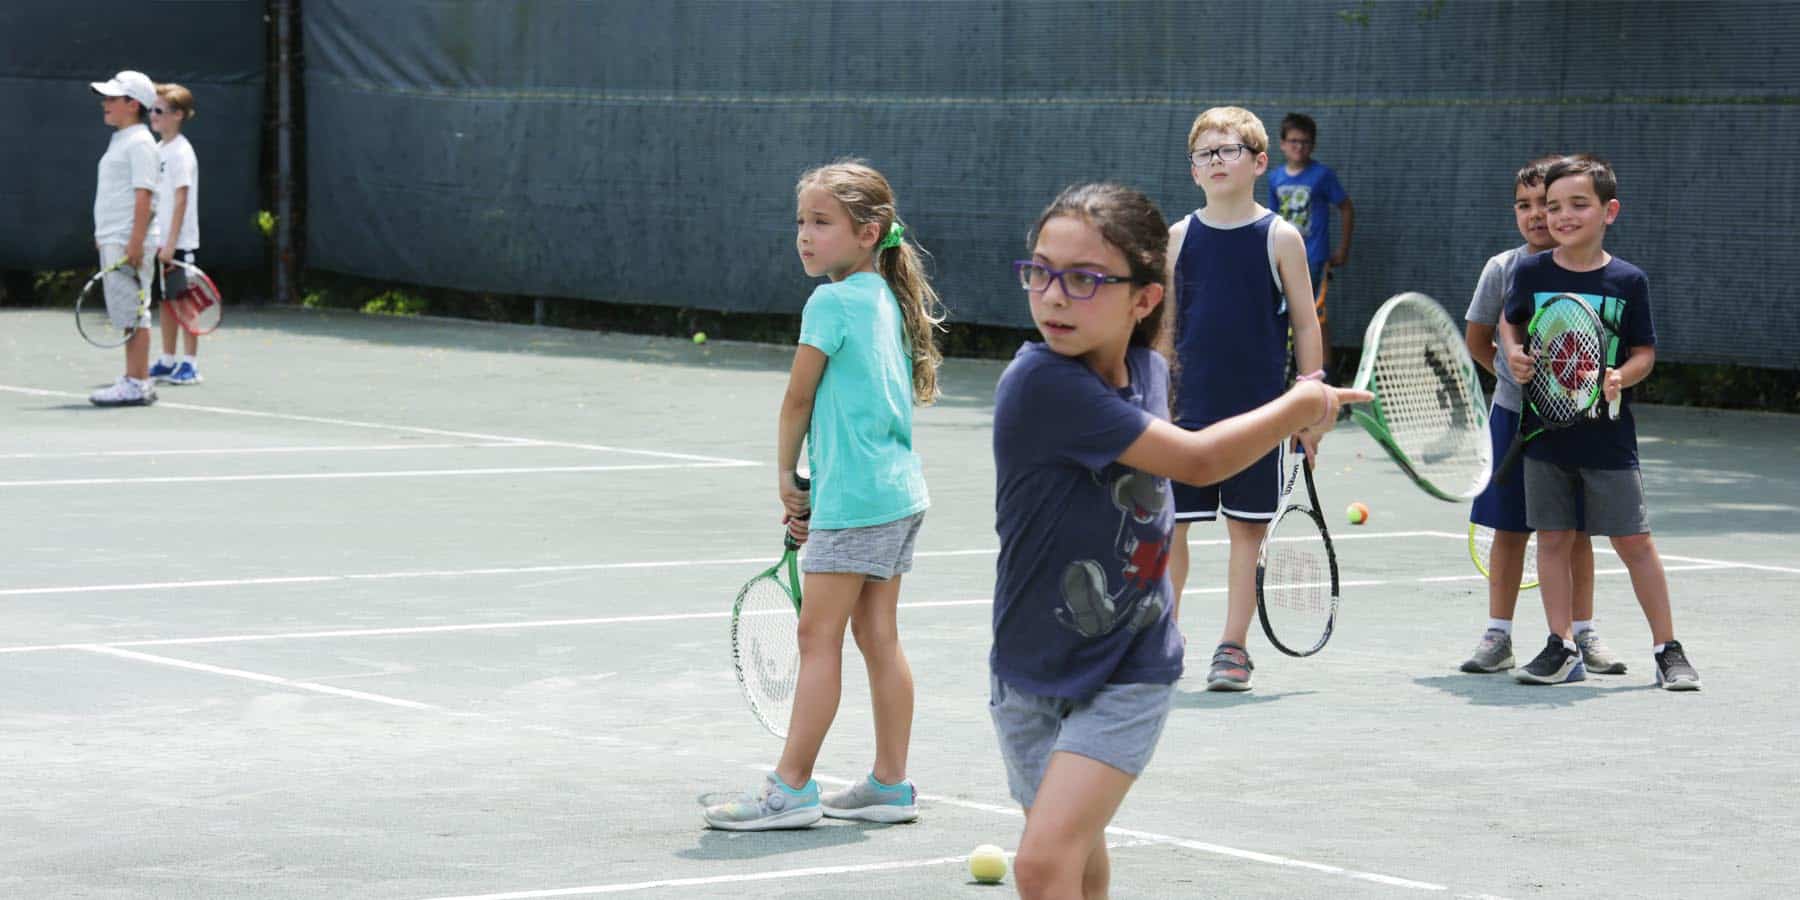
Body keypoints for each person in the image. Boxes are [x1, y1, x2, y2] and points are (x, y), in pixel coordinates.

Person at [992, 182, 1368, 899]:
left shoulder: (1149, 372)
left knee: (1042, 863)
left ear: (1144, 299)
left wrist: (1295, 410)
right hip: (1028, 668)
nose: (1053, 296)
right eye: (1039, 271)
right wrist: (1299, 402)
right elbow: (1196, 462)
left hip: (1130, 665)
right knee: (1075, 853)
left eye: (1084, 279)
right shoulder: (1040, 384)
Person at [703, 161, 945, 829]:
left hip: (860, 500)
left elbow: (798, 399)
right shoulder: (884, 298)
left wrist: (787, 479)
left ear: (869, 233)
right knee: (878, 636)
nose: (805, 236)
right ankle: (890, 785)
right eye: (801, 222)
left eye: (821, 223)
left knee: (817, 637)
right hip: (899, 493)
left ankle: (791, 789)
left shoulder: (830, 302)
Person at [1499, 154, 1699, 690]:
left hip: (1608, 438)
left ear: (1609, 211)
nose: (1561, 216)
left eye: (1578, 205)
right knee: (1554, 539)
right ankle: (1560, 646)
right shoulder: (1530, 271)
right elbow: (1512, 327)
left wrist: (1621, 377)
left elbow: (1644, 353)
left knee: (1633, 541)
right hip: (1545, 434)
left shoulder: (1628, 279)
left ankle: (1667, 650)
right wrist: (1515, 355)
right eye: (1553, 206)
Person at [1162, 106, 1324, 692]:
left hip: (1259, 418)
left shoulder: (1280, 237)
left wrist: (1310, 404)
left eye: (1228, 150)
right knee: (1170, 530)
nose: (1215, 161)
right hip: (1185, 418)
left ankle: (1233, 647)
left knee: (1246, 532)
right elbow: (1165, 328)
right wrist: (1153, 400)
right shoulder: (1178, 239)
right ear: (1194, 171)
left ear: (1259, 162)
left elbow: (1305, 325)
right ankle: (1163, 641)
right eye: (1204, 154)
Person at [1460, 156, 1623, 675]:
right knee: (1509, 532)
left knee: (1574, 535)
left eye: (1544, 205)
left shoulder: (1595, 270)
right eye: (1524, 205)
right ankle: (1498, 634)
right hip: (1513, 418)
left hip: (1576, 421)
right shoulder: (1503, 269)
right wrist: (1510, 371)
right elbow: (1479, 338)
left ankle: (1583, 633)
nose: (1535, 215)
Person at [87, 70, 161, 408]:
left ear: (133, 104)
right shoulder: (123, 139)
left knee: (134, 313)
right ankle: (136, 379)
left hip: (128, 239)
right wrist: (104, 233)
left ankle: (136, 382)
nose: (106, 103)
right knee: (130, 313)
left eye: (113, 98)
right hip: (115, 236)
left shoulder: (141, 143)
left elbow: (143, 196)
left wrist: (133, 242)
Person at [1268, 113, 1353, 371]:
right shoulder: (1275, 178)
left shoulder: (1322, 175)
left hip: (1314, 257)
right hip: (1284, 258)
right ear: (1282, 144)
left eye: (1305, 142)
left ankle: (1323, 371)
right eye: (1293, 141)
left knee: (1315, 313)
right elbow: (1273, 221)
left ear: (1313, 145)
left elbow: (1346, 207)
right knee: (1282, 312)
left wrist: (1342, 249)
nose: (1299, 147)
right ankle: (1285, 369)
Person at [147, 83, 204, 386]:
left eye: (159, 111)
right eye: (152, 110)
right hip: (159, 243)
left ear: (178, 115)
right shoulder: (158, 151)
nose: (153, 116)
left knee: (184, 302)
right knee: (166, 303)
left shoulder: (182, 152)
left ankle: (190, 365)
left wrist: (171, 244)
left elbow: (181, 200)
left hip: (178, 244)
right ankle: (168, 360)